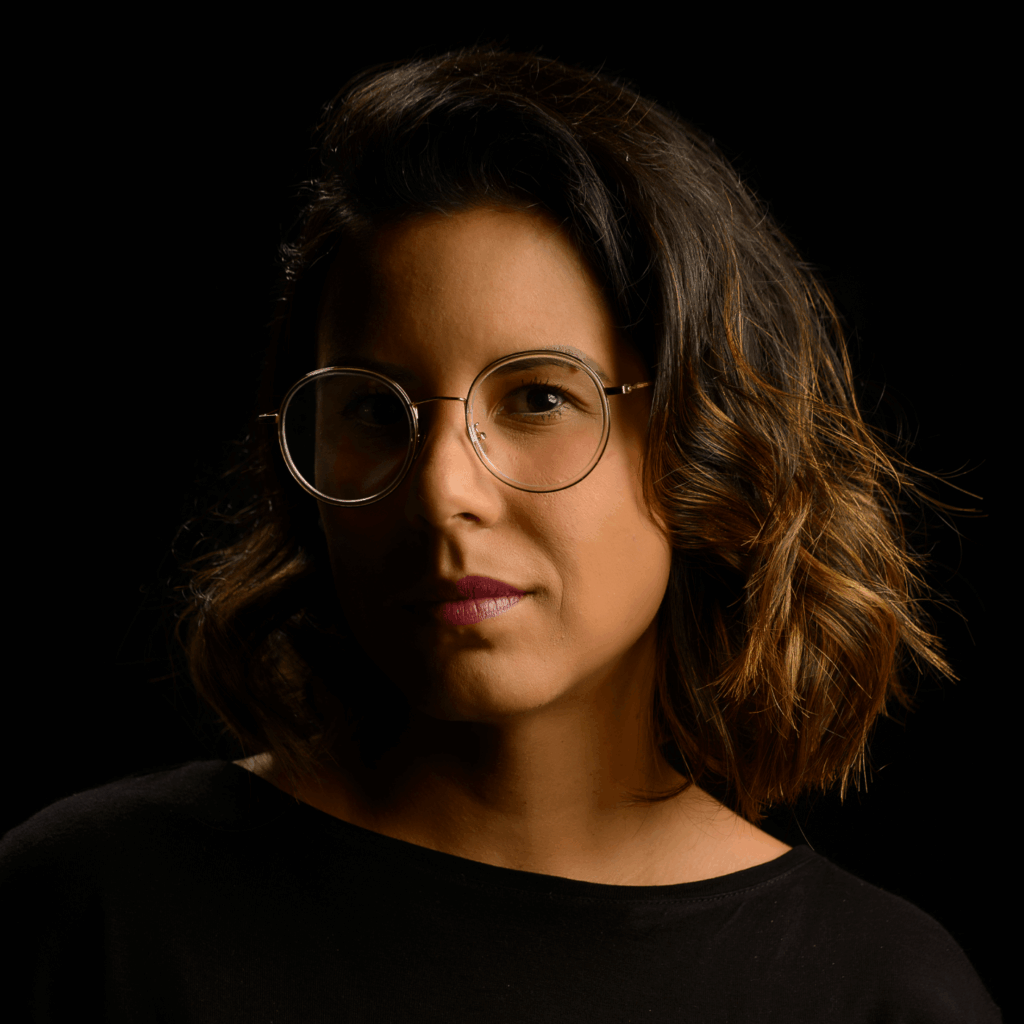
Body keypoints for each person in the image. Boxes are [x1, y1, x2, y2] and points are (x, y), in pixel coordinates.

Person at [1, 46, 1001, 1022]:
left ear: (702, 439)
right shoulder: (89, 910)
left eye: (536, 398)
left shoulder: (875, 991)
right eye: (374, 410)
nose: (442, 492)